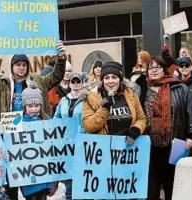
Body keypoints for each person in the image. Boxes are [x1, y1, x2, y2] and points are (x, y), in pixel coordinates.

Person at [135, 56, 192, 200]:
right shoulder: (141, 88)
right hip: (149, 146)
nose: (154, 70)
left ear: (164, 70)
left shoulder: (179, 87)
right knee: (151, 191)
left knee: (173, 188)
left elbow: (191, 113)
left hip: (175, 144)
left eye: (158, 67)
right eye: (151, 68)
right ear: (147, 71)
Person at [0, 41, 67, 124]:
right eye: (18, 65)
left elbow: (56, 76)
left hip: (37, 127)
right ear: (12, 66)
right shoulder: (3, 84)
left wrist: (61, 57)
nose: (21, 68)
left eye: (24, 65)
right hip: (9, 129)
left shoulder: (38, 81)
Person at [17, 81, 63, 200]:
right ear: (24, 106)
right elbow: (10, 142)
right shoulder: (17, 122)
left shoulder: (47, 119)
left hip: (44, 171)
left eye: (37, 106)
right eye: (30, 106)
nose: (33, 109)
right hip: (27, 171)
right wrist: (9, 153)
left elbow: (54, 143)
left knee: (42, 197)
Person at [82, 61, 146, 144]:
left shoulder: (131, 95)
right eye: (106, 78)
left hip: (126, 149)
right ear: (102, 80)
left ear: (120, 80)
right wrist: (105, 109)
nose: (110, 81)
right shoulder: (91, 97)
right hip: (103, 149)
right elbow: (88, 126)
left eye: (114, 77)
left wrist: (135, 130)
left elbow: (141, 118)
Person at [54, 72, 85, 200]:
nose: (76, 84)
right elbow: (57, 117)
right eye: (73, 81)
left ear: (82, 84)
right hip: (66, 144)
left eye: (78, 82)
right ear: (70, 83)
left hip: (82, 143)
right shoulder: (63, 100)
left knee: (82, 176)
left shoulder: (87, 99)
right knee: (69, 180)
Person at [177, 57, 192, 156]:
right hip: (179, 130)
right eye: (181, 66)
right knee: (178, 160)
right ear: (178, 68)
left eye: (187, 65)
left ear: (191, 67)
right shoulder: (175, 84)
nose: (184, 68)